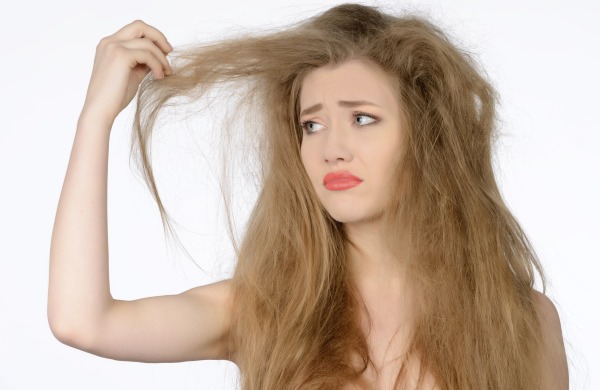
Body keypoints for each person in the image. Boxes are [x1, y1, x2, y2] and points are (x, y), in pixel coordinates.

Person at [48, 3, 568, 389]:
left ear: (427, 134)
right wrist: (95, 118)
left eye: (362, 118)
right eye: (312, 125)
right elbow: (83, 322)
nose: (331, 149)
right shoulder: (268, 309)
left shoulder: (520, 320)